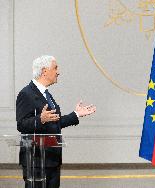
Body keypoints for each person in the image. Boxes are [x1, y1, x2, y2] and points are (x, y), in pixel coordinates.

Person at [16, 55, 96, 188]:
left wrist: (76, 115)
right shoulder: (26, 94)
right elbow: (21, 124)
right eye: (55, 68)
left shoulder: (47, 95)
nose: (58, 72)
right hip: (36, 160)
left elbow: (54, 122)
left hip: (52, 158)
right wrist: (40, 119)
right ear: (44, 71)